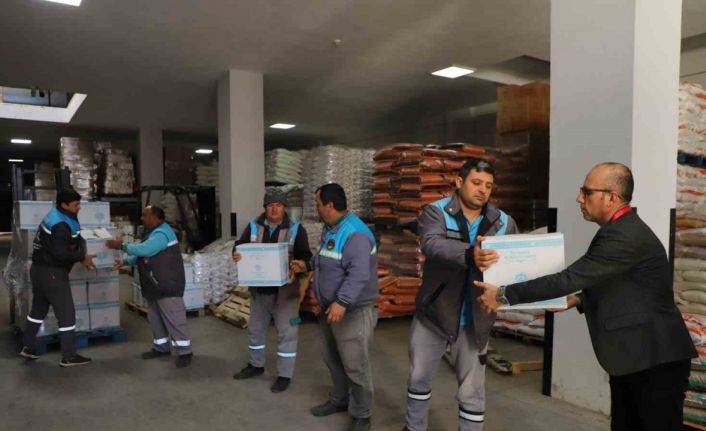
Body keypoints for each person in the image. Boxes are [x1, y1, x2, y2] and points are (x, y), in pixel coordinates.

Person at [475, 162, 697, 431]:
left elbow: (566, 279)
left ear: (611, 197)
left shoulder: (623, 236)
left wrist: (503, 294)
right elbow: (622, 282)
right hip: (635, 356)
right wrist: (577, 299)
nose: (579, 198)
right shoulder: (620, 229)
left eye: (587, 192)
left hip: (655, 358)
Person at [401, 158, 519, 431]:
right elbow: (432, 243)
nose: (482, 190)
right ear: (458, 182)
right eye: (476, 183)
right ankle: (414, 427)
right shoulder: (436, 212)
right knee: (418, 377)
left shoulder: (503, 222)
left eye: (488, 185)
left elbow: (516, 259)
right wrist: (469, 254)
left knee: (472, 390)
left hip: (475, 317)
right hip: (435, 311)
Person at [291, 183, 378, 431]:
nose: (316, 208)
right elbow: (325, 259)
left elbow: (359, 274)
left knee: (355, 364)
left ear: (329, 206)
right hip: (330, 308)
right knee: (332, 357)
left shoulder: (355, 234)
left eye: (318, 204)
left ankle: (362, 414)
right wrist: (307, 265)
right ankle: (340, 399)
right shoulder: (331, 228)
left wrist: (341, 302)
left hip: (352, 310)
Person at [231, 189, 312, 393]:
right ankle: (255, 365)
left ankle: (284, 375)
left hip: (287, 292)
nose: (274, 209)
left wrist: (301, 265)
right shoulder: (253, 226)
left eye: (278, 205)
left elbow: (306, 257)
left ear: (284, 208)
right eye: (270, 205)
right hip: (259, 289)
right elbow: (239, 246)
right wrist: (236, 254)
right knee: (256, 329)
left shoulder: (296, 229)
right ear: (265, 207)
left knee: (287, 333)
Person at [107, 205, 193, 368]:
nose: (142, 218)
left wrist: (122, 246)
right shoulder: (153, 233)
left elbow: (145, 250)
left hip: (167, 284)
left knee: (174, 319)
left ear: (155, 218)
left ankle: (185, 351)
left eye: (145, 215)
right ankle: (161, 347)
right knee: (155, 319)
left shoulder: (162, 234)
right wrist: (126, 261)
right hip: (155, 284)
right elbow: (144, 254)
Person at [20, 188, 95, 367]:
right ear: (64, 205)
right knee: (67, 314)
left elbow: (71, 238)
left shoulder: (57, 215)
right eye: (76, 205)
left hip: (38, 270)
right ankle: (69, 356)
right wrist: (82, 256)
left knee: (38, 309)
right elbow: (62, 254)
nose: (79, 207)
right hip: (52, 273)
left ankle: (28, 347)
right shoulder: (60, 224)